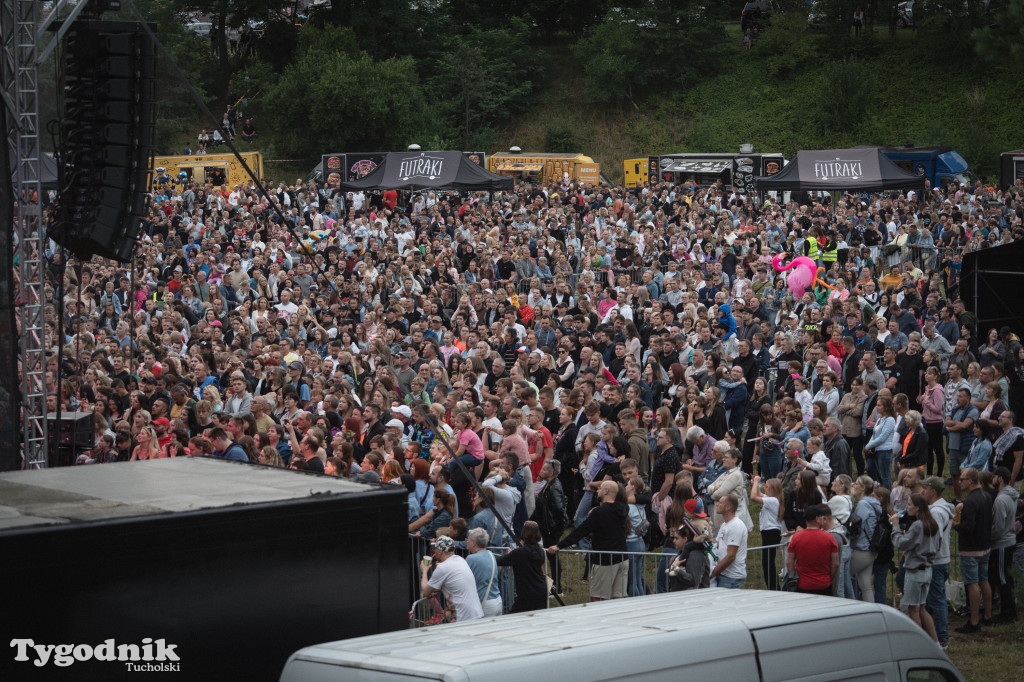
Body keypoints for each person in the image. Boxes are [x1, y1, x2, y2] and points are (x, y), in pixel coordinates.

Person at [548, 479, 628, 601]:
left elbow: (580, 532)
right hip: (622, 557)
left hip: (605, 560)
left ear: (606, 491)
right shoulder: (623, 508)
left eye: (600, 488)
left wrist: (559, 546)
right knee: (619, 597)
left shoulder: (600, 513)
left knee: (598, 597)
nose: (597, 491)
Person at [889, 493, 941, 641]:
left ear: (918, 507)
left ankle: (919, 644)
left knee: (913, 610)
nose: (907, 507)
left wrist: (895, 526)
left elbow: (901, 543)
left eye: (910, 504)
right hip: (927, 569)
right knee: (922, 609)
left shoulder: (917, 525)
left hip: (915, 571)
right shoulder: (932, 523)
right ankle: (935, 642)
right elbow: (935, 545)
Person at [954, 467, 993, 634]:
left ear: (970, 481)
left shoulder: (970, 501)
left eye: (962, 479)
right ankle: (988, 616)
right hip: (985, 546)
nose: (959, 482)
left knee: (972, 584)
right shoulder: (986, 496)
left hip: (971, 549)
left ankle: (974, 620)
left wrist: (956, 525)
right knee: (984, 580)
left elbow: (968, 527)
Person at [921, 476, 956, 646]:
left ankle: (941, 638)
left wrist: (927, 554)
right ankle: (931, 634)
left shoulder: (935, 511)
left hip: (936, 560)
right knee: (932, 599)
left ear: (933, 491)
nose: (923, 492)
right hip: (942, 559)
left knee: (937, 600)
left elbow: (935, 537)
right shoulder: (942, 508)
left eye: (925, 489)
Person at [420, 535, 484, 623]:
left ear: (440, 551)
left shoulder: (442, 567)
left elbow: (425, 591)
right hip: (476, 613)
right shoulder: (461, 560)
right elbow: (453, 584)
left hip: (463, 618)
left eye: (435, 549)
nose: (434, 551)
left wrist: (424, 571)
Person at [786, 505, 839, 596]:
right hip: (824, 583)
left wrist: (793, 578)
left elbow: (789, 562)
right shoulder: (829, 538)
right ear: (817, 518)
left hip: (803, 584)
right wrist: (829, 577)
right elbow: (835, 563)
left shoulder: (796, 538)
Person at [496, 520, 548, 613]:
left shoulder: (519, 553)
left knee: (513, 618)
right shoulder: (540, 551)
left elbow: (499, 561)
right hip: (540, 591)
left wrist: (511, 554)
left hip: (527, 594)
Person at [988, 466, 1018, 624]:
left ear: (1000, 478)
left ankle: (1008, 612)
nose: (992, 479)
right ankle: (1010, 609)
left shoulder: (1000, 500)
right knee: (1006, 576)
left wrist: (989, 539)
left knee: (1002, 578)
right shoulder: (1011, 496)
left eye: (994, 477)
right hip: (1009, 540)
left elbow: (998, 527)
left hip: (1001, 543)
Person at [850, 475, 882, 602]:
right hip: (871, 549)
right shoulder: (873, 503)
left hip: (861, 549)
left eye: (856, 484)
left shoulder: (863, 504)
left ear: (863, 488)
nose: (854, 486)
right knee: (865, 585)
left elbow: (857, 526)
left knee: (841, 575)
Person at [709, 493, 748, 589]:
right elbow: (717, 544)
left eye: (720, 502)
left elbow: (731, 556)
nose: (717, 504)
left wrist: (713, 573)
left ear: (728, 507)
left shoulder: (735, 525)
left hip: (732, 577)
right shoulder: (725, 524)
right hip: (724, 574)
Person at [465, 527, 502, 617]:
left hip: (485, 603)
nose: (466, 541)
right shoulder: (491, 554)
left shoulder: (471, 559)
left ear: (474, 543)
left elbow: (464, 581)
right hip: (497, 600)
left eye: (468, 539)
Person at [666, 523, 710, 591]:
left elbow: (693, 581)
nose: (673, 541)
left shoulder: (695, 555)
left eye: (676, 538)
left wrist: (677, 570)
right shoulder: (682, 552)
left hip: (692, 598)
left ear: (685, 539)